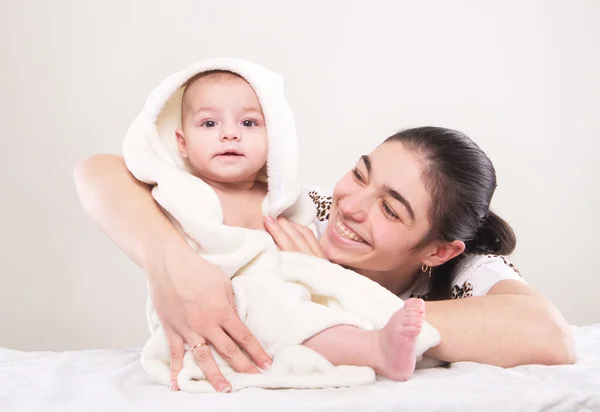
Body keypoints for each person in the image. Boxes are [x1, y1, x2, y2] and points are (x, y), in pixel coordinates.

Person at [74, 122, 576, 395]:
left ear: (436, 249)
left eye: (389, 208)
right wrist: (170, 266)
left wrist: (333, 287)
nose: (350, 206)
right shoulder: (302, 214)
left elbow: (548, 335)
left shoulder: (464, 270)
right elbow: (102, 173)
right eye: (360, 175)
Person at [131, 64, 434, 392]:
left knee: (324, 298)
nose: (229, 133)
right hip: (216, 306)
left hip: (281, 300)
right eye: (209, 123)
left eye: (248, 122)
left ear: (273, 138)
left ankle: (379, 333)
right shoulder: (184, 191)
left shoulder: (284, 202)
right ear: (183, 143)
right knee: (266, 301)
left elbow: (300, 268)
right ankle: (375, 349)